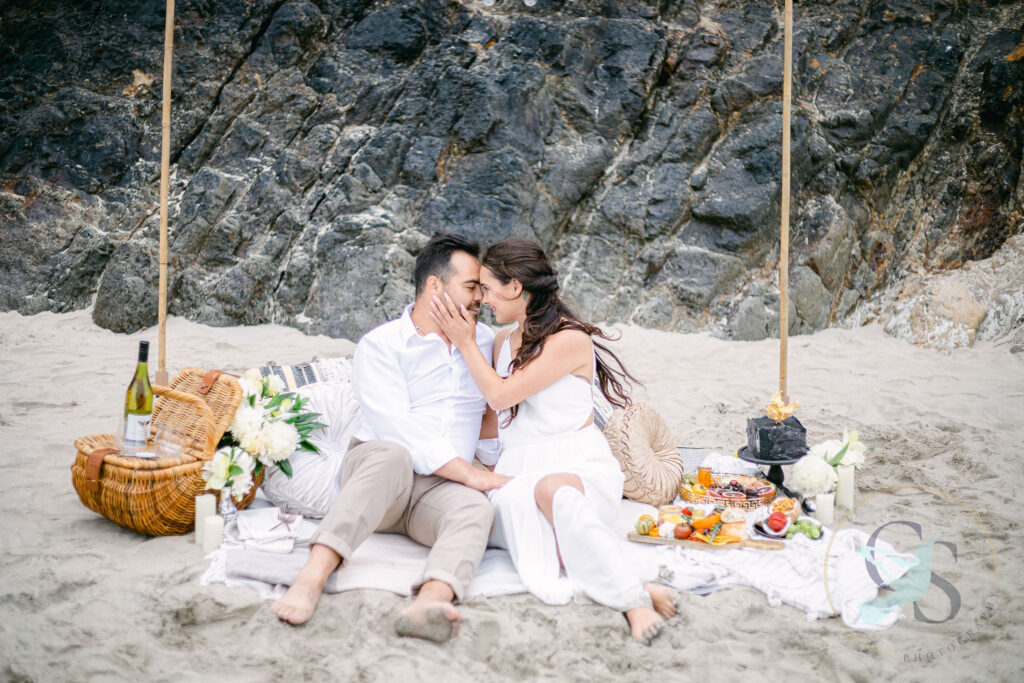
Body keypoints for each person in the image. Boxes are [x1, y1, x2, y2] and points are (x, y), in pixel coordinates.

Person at [429, 238, 678, 645]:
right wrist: (479, 466)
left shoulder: (570, 339)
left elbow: (502, 395)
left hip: (576, 468)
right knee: (509, 506)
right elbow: (492, 420)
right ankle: (634, 584)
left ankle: (632, 602)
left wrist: (465, 343)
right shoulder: (499, 342)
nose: (485, 299)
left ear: (514, 287)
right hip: (517, 470)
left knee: (551, 490)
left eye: (488, 289)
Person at [272, 232, 510, 642]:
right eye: (471, 287)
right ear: (434, 285)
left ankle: (431, 600)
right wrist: (467, 472)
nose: (479, 299)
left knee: (475, 509)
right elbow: (395, 424)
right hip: (381, 478)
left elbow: (491, 410)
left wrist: (484, 465)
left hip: (437, 492)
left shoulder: (482, 341)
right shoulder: (382, 345)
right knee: (393, 454)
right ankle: (313, 574)